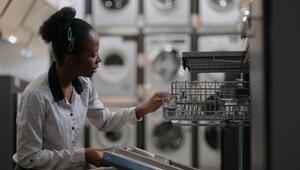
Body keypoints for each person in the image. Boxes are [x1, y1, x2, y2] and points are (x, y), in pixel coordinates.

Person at [13, 7, 170, 170]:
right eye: (93, 54)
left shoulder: (84, 85)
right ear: (71, 59)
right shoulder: (36, 96)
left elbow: (105, 121)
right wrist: (84, 155)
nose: (99, 59)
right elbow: (28, 158)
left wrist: (144, 108)